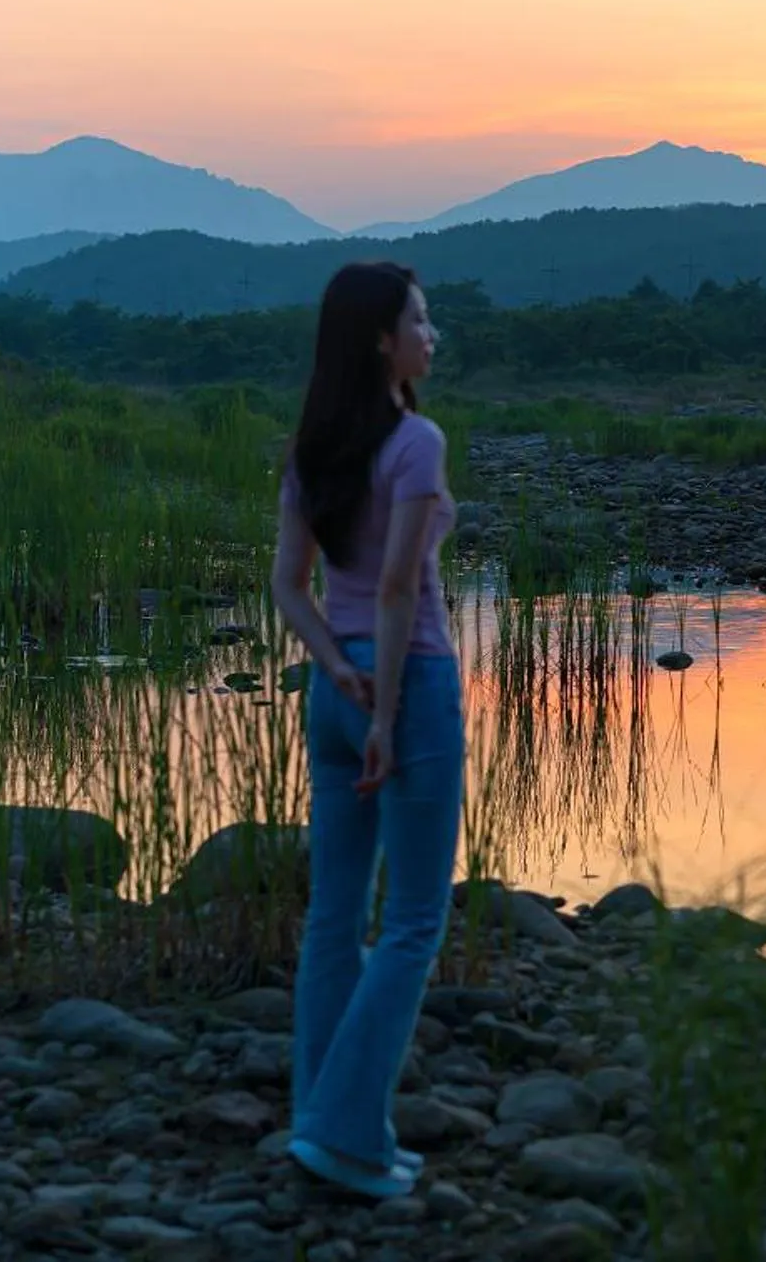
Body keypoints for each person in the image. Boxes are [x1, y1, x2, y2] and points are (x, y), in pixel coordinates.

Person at [269, 260, 460, 1198]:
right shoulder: (415, 442)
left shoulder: (313, 447)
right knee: (415, 917)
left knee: (336, 915)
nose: (432, 334)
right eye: (420, 320)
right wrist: (382, 709)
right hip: (407, 686)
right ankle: (347, 1138)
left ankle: (323, 1121)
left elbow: (287, 587)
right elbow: (395, 589)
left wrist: (339, 673)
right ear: (383, 340)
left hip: (332, 687)